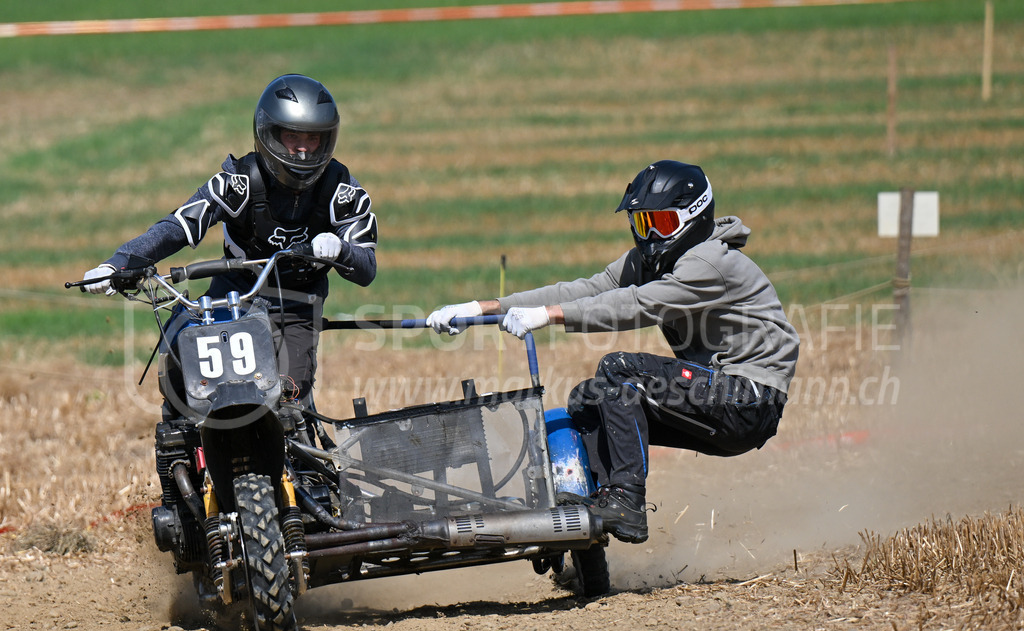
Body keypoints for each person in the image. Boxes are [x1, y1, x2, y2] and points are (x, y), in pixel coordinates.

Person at [426, 160, 798, 544]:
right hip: (717, 398)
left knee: (618, 371)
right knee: (589, 399)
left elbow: (636, 305)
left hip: (748, 401)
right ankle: (590, 516)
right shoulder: (654, 261)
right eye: (641, 223)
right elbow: (586, 290)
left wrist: (548, 317)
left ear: (694, 217)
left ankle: (627, 502)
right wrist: (484, 307)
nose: (651, 234)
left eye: (663, 223)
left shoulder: (709, 264)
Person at [81, 73, 378, 413]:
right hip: (232, 297)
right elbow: (178, 226)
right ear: (270, 134)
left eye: (313, 138)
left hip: (298, 306)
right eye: (293, 135)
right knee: (182, 369)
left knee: (288, 400)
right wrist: (117, 263)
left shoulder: (341, 191)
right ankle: (184, 450)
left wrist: (342, 250)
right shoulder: (239, 182)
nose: (302, 148)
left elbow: (367, 269)